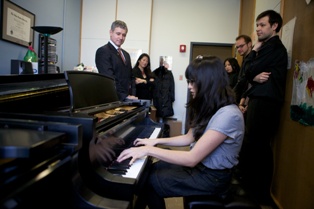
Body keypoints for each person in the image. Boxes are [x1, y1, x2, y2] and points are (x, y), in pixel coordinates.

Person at [117, 55, 245, 209]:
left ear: (208, 82)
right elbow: (188, 137)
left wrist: (148, 150)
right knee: (152, 169)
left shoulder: (229, 115)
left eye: (192, 82)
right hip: (202, 168)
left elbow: (191, 158)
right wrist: (155, 142)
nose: (189, 86)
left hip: (213, 178)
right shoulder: (212, 108)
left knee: (149, 182)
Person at [237, 10, 288, 205]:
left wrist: (255, 53)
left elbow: (248, 70)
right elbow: (249, 73)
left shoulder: (274, 48)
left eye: (262, 25)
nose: (257, 29)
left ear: (274, 26)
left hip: (267, 103)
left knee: (259, 147)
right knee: (253, 145)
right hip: (259, 100)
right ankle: (252, 189)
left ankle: (260, 194)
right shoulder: (268, 47)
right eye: (257, 25)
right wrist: (253, 77)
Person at [95, 20, 137, 101]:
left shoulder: (126, 54)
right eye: (118, 34)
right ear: (111, 32)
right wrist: (124, 96)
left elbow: (131, 78)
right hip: (112, 99)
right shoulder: (103, 51)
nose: (121, 37)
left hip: (128, 99)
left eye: (124, 35)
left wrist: (132, 95)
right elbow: (109, 78)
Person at [152, 57, 175, 122]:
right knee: (157, 116)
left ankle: (164, 130)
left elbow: (172, 86)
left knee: (165, 116)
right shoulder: (155, 73)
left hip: (166, 98)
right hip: (158, 97)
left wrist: (172, 98)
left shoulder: (169, 73)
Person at [233, 34, 253, 107]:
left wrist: (243, 99)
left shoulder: (252, 59)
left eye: (241, 46)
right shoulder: (245, 59)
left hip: (249, 99)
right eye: (237, 47)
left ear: (249, 44)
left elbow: (247, 81)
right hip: (242, 98)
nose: (238, 49)